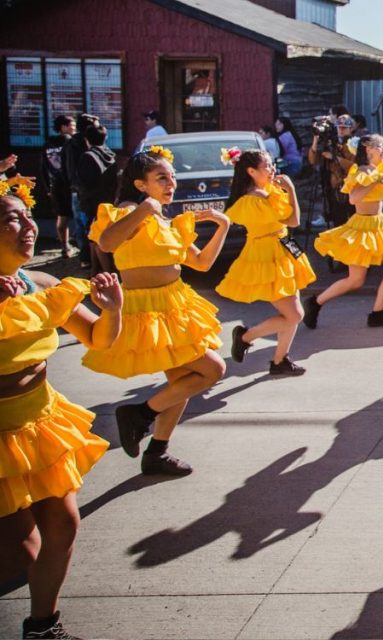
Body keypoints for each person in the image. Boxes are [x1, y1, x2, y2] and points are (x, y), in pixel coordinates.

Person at [0, 176, 123, 640]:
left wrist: (111, 308)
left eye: (29, 217)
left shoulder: (43, 283)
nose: (29, 227)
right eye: (13, 220)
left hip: (36, 425)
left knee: (64, 526)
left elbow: (99, 340)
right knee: (17, 551)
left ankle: (42, 625)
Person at [86, 146, 230, 476]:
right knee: (212, 370)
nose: (171, 183)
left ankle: (157, 452)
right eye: (161, 178)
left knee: (183, 381)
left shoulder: (166, 221)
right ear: (140, 185)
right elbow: (106, 243)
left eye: (172, 177)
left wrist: (222, 227)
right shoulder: (126, 209)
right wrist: (144, 210)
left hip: (175, 305)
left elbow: (201, 263)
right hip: (146, 310)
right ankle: (139, 414)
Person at [217, 149, 316, 376]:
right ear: (251, 171)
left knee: (293, 311)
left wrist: (290, 189)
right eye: (267, 166)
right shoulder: (250, 201)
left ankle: (279, 360)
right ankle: (245, 336)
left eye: (272, 165)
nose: (272, 170)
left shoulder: (270, 191)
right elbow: (285, 220)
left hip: (285, 247)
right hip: (265, 254)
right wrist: (287, 191)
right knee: (295, 315)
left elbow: (293, 220)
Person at [305, 135, 383, 328]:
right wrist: (375, 182)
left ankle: (377, 312)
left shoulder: (379, 170)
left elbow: (380, 192)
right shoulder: (359, 171)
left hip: (379, 226)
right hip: (362, 227)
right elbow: (353, 198)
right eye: (380, 147)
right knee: (355, 280)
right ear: (368, 149)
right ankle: (315, 303)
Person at [77, 124, 118, 275]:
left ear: (86, 139)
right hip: (109, 202)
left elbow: (85, 182)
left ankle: (107, 272)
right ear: (105, 137)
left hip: (92, 203)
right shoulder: (110, 154)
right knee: (97, 238)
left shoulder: (88, 156)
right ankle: (96, 271)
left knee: (95, 239)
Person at [62, 113, 99, 269]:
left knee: (85, 224)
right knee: (84, 224)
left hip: (82, 190)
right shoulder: (77, 144)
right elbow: (70, 168)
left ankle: (88, 257)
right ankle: (86, 257)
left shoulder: (76, 143)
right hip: (82, 191)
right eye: (96, 126)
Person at [308, 114, 357, 227]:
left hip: (350, 188)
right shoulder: (333, 143)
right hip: (334, 189)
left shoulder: (354, 144)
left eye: (344, 128)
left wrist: (334, 157)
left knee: (351, 223)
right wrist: (315, 140)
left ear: (350, 129)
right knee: (338, 223)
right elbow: (313, 161)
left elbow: (355, 167)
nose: (341, 130)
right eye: (339, 127)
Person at [39, 115, 75, 258]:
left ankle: (64, 246)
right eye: (72, 125)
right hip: (70, 185)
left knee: (62, 216)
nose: (74, 128)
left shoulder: (48, 144)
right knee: (80, 216)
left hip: (55, 184)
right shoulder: (69, 142)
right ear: (63, 127)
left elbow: (43, 167)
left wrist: (48, 187)